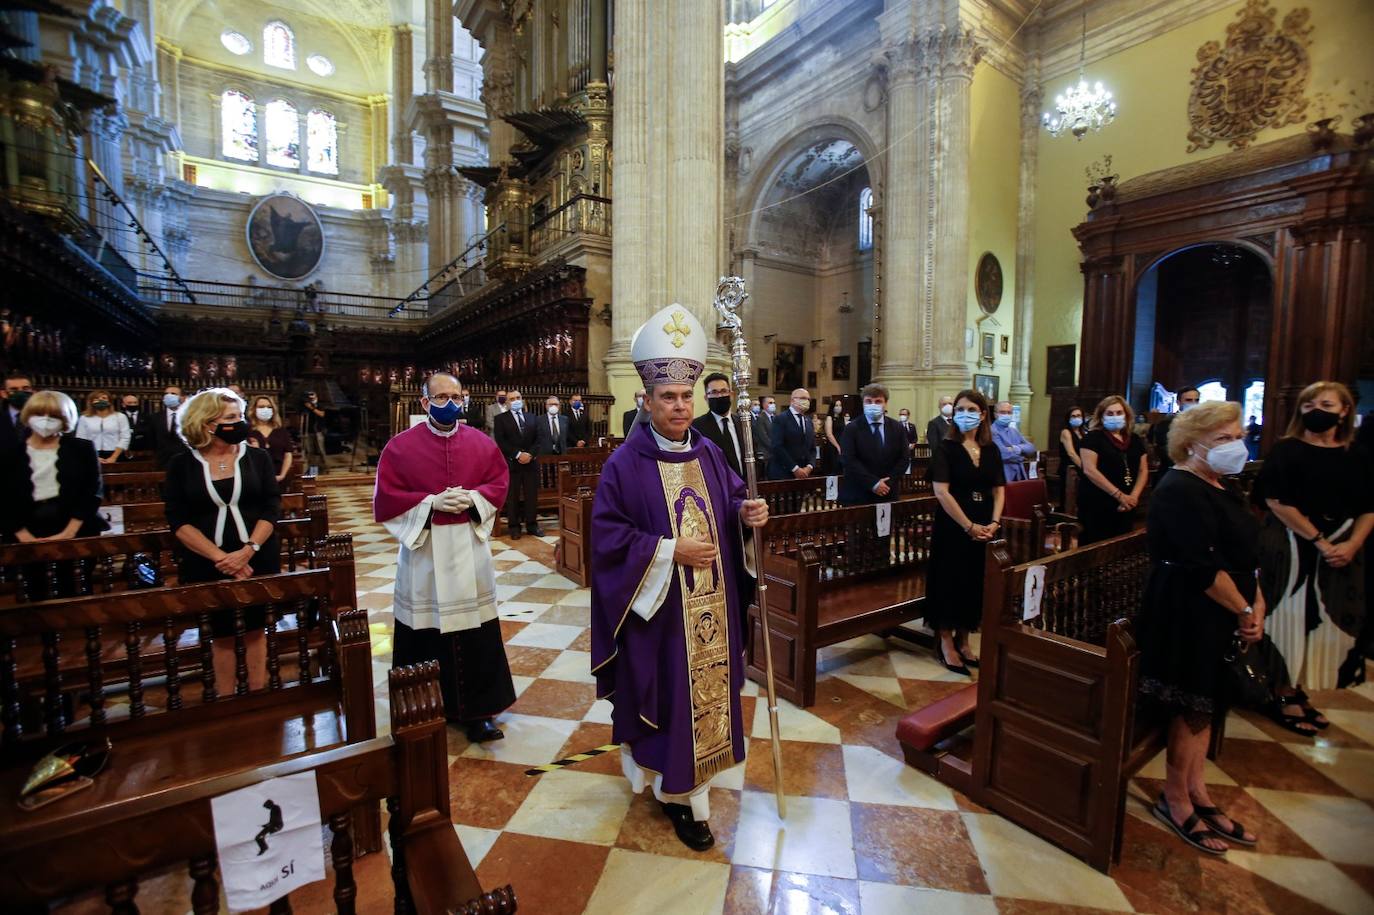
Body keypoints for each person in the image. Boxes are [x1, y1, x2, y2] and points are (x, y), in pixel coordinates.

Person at [590, 305, 767, 852]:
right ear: (646, 401)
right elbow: (607, 536)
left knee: (708, 701)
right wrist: (669, 551)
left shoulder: (710, 451)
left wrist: (746, 514)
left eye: (686, 396)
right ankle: (677, 795)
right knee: (667, 700)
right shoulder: (624, 463)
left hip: (711, 609)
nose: (680, 406)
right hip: (662, 613)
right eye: (669, 397)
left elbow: (734, 496)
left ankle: (689, 793)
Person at [1137, 400, 1261, 856]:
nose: (1237, 446)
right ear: (1192, 445)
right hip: (1187, 611)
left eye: (1238, 436)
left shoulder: (1224, 486)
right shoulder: (1178, 488)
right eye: (1223, 440)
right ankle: (1175, 798)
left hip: (1223, 608)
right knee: (1191, 703)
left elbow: (1246, 557)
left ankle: (1198, 792)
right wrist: (1245, 609)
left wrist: (1255, 601)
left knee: (1207, 704)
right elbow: (1199, 565)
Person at [374, 371, 515, 742]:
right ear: (424, 403)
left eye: (456, 396)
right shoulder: (400, 447)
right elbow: (387, 497)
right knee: (425, 630)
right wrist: (428, 503)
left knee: (476, 632)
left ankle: (479, 713)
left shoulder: (481, 443)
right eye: (440, 398)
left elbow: (498, 483)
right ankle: (421, 708)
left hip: (469, 547)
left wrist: (474, 499)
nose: (450, 404)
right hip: (427, 553)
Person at [1254, 381, 1373, 691]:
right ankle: (1280, 688)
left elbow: (1368, 507)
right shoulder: (1286, 450)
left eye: (1326, 405)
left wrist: (1353, 543)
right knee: (1287, 618)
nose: (1316, 411)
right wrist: (1320, 541)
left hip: (1344, 543)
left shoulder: (1358, 454)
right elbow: (1275, 501)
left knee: (1332, 620)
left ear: (1344, 410)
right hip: (1292, 543)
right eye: (1308, 406)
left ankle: (1308, 687)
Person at [164, 388, 280, 692]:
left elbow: (271, 507)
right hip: (207, 561)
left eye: (240, 416)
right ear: (206, 423)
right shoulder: (181, 464)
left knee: (257, 628)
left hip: (257, 558)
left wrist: (247, 551)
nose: (240, 423)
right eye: (231, 418)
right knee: (221, 632)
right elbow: (178, 519)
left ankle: (258, 693)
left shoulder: (258, 457)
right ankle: (226, 697)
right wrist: (221, 558)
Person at [926, 389, 1005, 675]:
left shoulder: (991, 449)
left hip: (985, 523)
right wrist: (968, 526)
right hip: (953, 524)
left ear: (983, 414)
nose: (965, 414)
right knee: (950, 580)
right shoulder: (946, 448)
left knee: (974, 581)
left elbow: (998, 489)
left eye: (971, 409)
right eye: (960, 409)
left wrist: (994, 523)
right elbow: (942, 492)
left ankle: (965, 637)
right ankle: (946, 641)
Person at [1, 390, 106, 543]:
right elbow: (4, 498)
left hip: (77, 527)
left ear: (65, 419)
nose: (45, 420)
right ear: (28, 416)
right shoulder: (11, 453)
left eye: (54, 416)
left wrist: (69, 532)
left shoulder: (83, 448)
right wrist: (23, 536)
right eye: (39, 414)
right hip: (23, 529)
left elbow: (92, 492)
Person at [1078, 395, 1149, 545]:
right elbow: (1090, 470)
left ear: (1126, 415)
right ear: (1101, 417)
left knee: (1122, 545)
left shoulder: (1134, 439)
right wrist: (1119, 495)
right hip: (1099, 501)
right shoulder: (1093, 438)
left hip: (1129, 502)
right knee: (1096, 545)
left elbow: (1143, 470)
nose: (1115, 416)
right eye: (1110, 413)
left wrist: (1133, 497)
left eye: (1119, 413)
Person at [839, 383, 908, 505]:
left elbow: (904, 459)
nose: (873, 405)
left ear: (885, 403)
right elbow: (848, 460)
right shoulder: (852, 428)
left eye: (878, 401)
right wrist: (873, 483)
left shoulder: (897, 428)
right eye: (869, 401)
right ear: (863, 403)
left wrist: (887, 483)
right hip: (859, 492)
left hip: (888, 492)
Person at [493, 389, 541, 538]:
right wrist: (518, 454)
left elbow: (539, 439)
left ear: (522, 399)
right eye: (512, 399)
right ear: (507, 402)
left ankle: (532, 525)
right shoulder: (501, 419)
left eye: (518, 398)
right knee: (513, 497)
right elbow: (501, 441)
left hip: (531, 464)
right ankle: (514, 527)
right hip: (513, 464)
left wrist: (530, 454)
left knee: (531, 496)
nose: (515, 401)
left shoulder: (532, 417)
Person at [692, 373, 749, 479]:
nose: (719, 396)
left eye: (723, 391)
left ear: (731, 394)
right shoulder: (696, 427)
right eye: (714, 392)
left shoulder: (744, 423)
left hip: (746, 487)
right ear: (706, 398)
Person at [767, 388, 816, 481]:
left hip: (804, 473)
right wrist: (795, 468)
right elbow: (777, 446)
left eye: (808, 399)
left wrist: (809, 466)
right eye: (803, 398)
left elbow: (812, 448)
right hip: (783, 472)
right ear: (793, 400)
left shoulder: (808, 421)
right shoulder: (780, 419)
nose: (807, 401)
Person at [1150, 386, 1200, 478]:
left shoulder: (1203, 424)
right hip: (1172, 474)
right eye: (1189, 400)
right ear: (1178, 402)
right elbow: (1166, 453)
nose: (1193, 403)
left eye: (1196, 400)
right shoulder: (1166, 423)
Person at [246, 395, 294, 484]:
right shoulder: (247, 430)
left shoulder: (280, 430)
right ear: (254, 409)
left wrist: (282, 475)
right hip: (255, 478)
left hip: (278, 477)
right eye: (261, 407)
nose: (265, 409)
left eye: (269, 407)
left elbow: (288, 454)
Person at [75, 389, 131, 464]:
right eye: (96, 398)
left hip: (116, 453)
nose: (100, 400)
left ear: (109, 401)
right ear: (91, 402)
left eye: (104, 398)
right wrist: (94, 457)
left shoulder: (120, 417)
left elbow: (125, 437)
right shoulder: (84, 418)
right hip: (91, 453)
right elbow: (81, 439)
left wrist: (113, 457)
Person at [991, 401, 1037, 482]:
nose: (1006, 415)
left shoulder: (1014, 431)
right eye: (1002, 412)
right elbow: (1003, 454)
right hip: (1003, 476)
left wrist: (1016, 448)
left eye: (1009, 412)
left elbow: (1031, 448)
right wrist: (1022, 456)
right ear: (995, 414)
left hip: (1019, 475)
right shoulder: (992, 431)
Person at [152, 384, 189, 469]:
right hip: (163, 462)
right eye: (166, 394)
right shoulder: (155, 417)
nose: (169, 396)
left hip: (186, 461)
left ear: (183, 398)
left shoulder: (190, 417)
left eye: (173, 394)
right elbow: (152, 440)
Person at [1058, 406, 1087, 507]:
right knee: (1069, 498)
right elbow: (1071, 454)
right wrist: (1085, 468)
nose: (1076, 418)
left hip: (1080, 466)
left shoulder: (1083, 433)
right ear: (1068, 418)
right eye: (1073, 416)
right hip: (1069, 468)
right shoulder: (1066, 432)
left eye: (1078, 416)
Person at [1, 372, 34, 453]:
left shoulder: (45, 418)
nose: (20, 392)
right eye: (14, 389)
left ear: (33, 392)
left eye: (25, 388)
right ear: (4, 394)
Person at [301, 391, 327, 473]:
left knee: (321, 450)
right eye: (309, 395)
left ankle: (324, 468)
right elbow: (303, 417)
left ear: (316, 396)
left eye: (312, 394)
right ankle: (313, 470)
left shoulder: (320, 405)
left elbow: (322, 414)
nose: (311, 397)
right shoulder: (305, 405)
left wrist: (312, 408)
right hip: (309, 431)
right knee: (310, 451)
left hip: (318, 431)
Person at [821, 399, 849, 475]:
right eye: (836, 405)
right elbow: (829, 434)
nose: (839, 407)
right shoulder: (829, 418)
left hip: (841, 444)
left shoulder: (842, 418)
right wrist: (837, 446)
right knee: (833, 470)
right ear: (832, 407)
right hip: (832, 446)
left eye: (840, 405)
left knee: (841, 470)